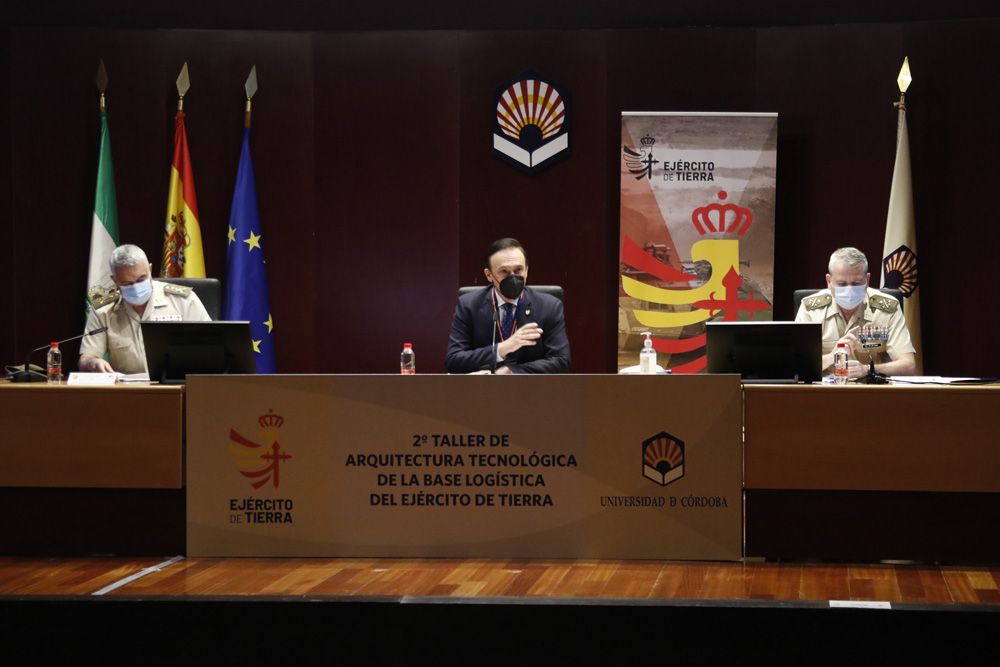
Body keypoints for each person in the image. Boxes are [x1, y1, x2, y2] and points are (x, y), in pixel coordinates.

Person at [79, 244, 212, 374]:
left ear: (150, 269)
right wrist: (93, 363)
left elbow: (212, 346)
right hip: (129, 392)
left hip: (179, 387)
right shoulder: (103, 310)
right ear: (115, 281)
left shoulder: (183, 301)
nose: (136, 288)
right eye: (127, 283)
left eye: (141, 279)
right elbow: (86, 359)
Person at [446, 238, 570, 374]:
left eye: (518, 270)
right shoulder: (469, 305)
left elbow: (561, 361)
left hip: (533, 391)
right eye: (504, 271)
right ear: (489, 275)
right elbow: (454, 360)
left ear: (527, 270)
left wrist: (512, 371)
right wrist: (502, 348)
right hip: (484, 390)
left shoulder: (549, 306)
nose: (513, 277)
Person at [795, 246, 916, 378]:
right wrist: (832, 357)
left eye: (856, 283)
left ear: (867, 280)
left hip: (871, 392)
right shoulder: (810, 309)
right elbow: (796, 366)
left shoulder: (887, 308)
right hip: (824, 393)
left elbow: (908, 366)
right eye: (841, 284)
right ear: (829, 281)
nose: (849, 290)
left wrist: (868, 369)